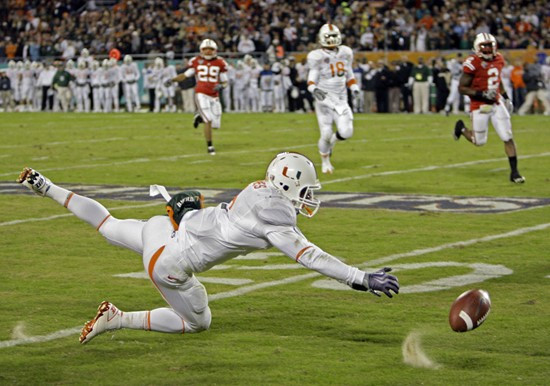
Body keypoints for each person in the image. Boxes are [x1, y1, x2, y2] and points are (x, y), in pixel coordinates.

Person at [16, 152, 399, 344]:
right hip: (171, 262)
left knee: (108, 223)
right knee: (198, 323)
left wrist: (188, 217)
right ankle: (117, 317)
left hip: (163, 229)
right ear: (286, 185)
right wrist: (359, 278)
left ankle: (46, 186)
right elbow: (310, 256)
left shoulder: (258, 189)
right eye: (305, 189)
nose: (309, 197)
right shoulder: (275, 213)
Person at [453, 33, 525, 183]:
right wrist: (482, 93)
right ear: (477, 47)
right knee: (479, 141)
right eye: (483, 46)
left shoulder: (499, 58)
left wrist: (505, 97)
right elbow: (462, 88)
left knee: (507, 136)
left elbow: (497, 80)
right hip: (479, 104)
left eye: (489, 45)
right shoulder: (472, 62)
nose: (487, 49)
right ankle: (461, 128)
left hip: (496, 102)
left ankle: (515, 173)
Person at [307, 23, 360, 174]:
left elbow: (349, 74)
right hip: (325, 99)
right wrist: (314, 89)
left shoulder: (346, 52)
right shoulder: (316, 56)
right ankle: (325, 161)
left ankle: (332, 142)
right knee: (325, 133)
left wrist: (354, 87)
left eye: (334, 36)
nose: (331, 39)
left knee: (347, 132)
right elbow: (311, 80)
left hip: (341, 98)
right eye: (328, 37)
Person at [171, 39, 228, 155]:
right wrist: (172, 80)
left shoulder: (221, 63)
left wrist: (221, 87)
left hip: (214, 95)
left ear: (215, 50)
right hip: (201, 93)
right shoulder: (196, 61)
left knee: (216, 124)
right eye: (205, 49)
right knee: (209, 119)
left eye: (210, 49)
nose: (207, 52)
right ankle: (210, 146)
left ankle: (199, 117)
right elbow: (185, 75)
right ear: (201, 50)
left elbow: (225, 82)